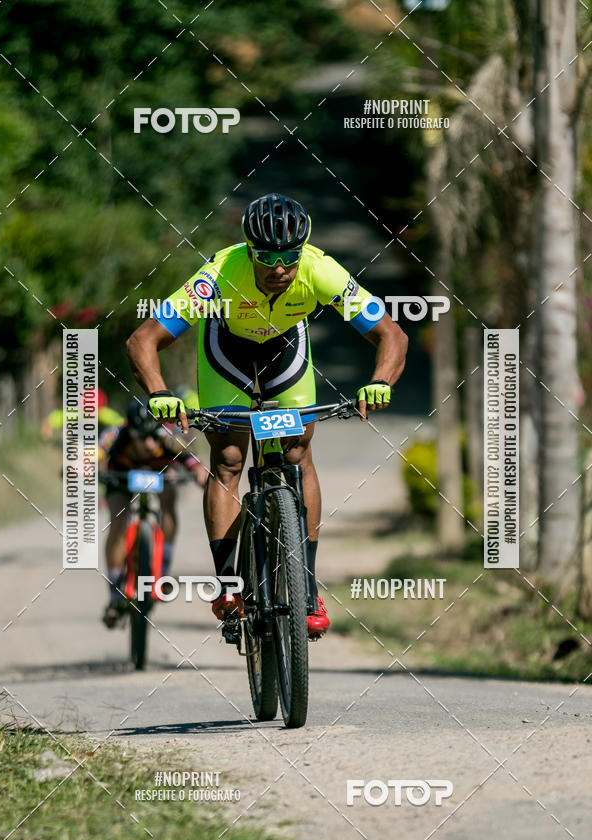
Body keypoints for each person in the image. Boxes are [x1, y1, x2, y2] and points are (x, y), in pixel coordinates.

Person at [126, 192, 408, 636]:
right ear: (248, 250)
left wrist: (380, 383)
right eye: (267, 257)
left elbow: (391, 334)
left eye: (289, 257)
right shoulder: (218, 275)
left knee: (297, 452)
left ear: (303, 250)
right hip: (227, 349)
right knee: (229, 460)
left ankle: (307, 587)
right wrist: (160, 392)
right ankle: (228, 585)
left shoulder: (320, 269)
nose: (280, 268)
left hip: (285, 350)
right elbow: (143, 339)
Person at [99, 399, 207, 628]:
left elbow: (191, 460)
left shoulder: (168, 436)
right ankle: (115, 594)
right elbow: (94, 453)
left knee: (169, 498)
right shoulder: (115, 434)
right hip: (121, 476)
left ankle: (163, 567)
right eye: (142, 438)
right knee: (117, 521)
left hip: (160, 473)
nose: (149, 444)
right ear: (131, 431)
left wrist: (198, 471)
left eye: (152, 437)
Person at [41, 388, 123, 439]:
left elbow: (123, 423)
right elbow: (57, 417)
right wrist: (49, 424)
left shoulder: (104, 414)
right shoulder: (78, 413)